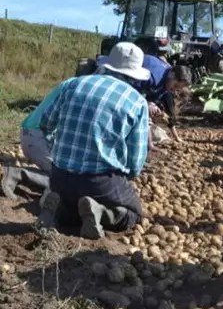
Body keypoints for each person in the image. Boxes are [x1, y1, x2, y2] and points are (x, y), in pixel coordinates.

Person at [37, 42, 151, 240]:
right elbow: (135, 161)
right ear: (135, 74)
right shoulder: (137, 101)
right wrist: (125, 177)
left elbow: (46, 124)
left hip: (60, 176)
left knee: (70, 200)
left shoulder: (74, 84)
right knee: (134, 214)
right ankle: (100, 211)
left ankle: (58, 207)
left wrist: (58, 153)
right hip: (99, 182)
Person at [0, 78, 76, 199]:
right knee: (69, 181)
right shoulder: (76, 88)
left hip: (35, 133)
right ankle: (18, 175)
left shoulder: (75, 83)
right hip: (37, 135)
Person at [140, 54, 192, 144]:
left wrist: (151, 103)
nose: (174, 90)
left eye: (178, 89)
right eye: (175, 85)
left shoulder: (168, 83)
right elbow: (132, 90)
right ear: (172, 74)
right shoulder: (153, 77)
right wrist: (146, 103)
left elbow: (169, 113)